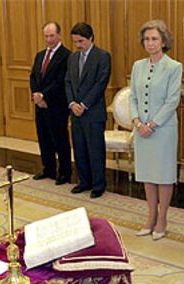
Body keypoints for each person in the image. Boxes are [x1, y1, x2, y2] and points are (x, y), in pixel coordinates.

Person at [130, 20, 182, 241]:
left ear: (163, 42)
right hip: (141, 130)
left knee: (163, 176)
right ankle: (150, 217)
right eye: (147, 39)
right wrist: (136, 121)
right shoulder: (137, 66)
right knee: (148, 175)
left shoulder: (174, 67)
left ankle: (162, 218)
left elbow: (172, 101)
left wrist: (151, 125)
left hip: (163, 130)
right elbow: (132, 95)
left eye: (154, 39)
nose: (150, 43)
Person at [65, 22, 111, 198]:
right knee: (79, 148)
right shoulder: (73, 58)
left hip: (93, 112)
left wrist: (84, 105)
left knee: (95, 149)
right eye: (75, 42)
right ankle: (84, 181)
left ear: (91, 38)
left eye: (81, 41)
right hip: (75, 111)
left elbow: (101, 84)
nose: (78, 45)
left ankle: (98, 185)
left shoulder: (103, 56)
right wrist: (72, 104)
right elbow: (67, 81)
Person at [30, 21, 72, 185]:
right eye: (46, 36)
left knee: (60, 139)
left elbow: (60, 81)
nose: (48, 39)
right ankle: (48, 169)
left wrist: (43, 95)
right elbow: (33, 76)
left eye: (52, 36)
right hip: (40, 105)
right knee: (44, 138)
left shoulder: (66, 55)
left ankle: (65, 172)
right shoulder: (40, 55)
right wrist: (36, 95)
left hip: (56, 105)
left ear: (59, 35)